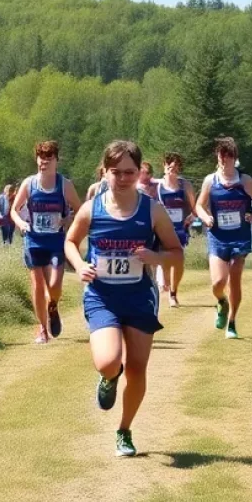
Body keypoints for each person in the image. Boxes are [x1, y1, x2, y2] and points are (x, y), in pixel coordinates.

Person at [64, 140, 182, 457]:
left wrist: (153, 256)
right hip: (102, 296)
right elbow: (71, 242)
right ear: (105, 172)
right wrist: (78, 265)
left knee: (138, 370)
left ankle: (124, 430)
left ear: (139, 172)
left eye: (130, 172)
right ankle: (108, 377)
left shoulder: (152, 210)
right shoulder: (92, 209)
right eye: (116, 172)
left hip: (139, 296)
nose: (123, 178)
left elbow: (175, 253)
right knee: (107, 362)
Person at [195, 136, 252, 339]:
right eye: (221, 156)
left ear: (234, 158)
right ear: (217, 157)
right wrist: (206, 217)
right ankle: (221, 302)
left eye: (228, 156)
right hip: (217, 236)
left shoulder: (245, 181)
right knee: (219, 282)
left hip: (240, 236)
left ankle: (232, 322)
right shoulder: (211, 180)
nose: (224, 160)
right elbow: (199, 205)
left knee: (234, 279)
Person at [11, 141, 82, 344]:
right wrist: (21, 223)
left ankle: (53, 305)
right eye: (41, 158)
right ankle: (42, 328)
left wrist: (67, 220)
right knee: (37, 285)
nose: (44, 162)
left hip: (56, 241)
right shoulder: (29, 184)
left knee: (54, 284)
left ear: (56, 161)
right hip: (33, 240)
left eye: (49, 159)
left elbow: (80, 210)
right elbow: (14, 210)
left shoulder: (64, 185)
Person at [155, 153, 196, 308]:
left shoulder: (185, 185)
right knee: (165, 263)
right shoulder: (158, 186)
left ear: (179, 167)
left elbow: (194, 207)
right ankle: (165, 285)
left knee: (177, 260)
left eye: (174, 165)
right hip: (162, 229)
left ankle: (173, 293)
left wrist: (191, 217)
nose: (170, 168)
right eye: (168, 165)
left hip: (180, 229)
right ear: (164, 167)